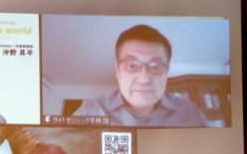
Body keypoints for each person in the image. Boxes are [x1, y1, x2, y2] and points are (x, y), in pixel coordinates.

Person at [74, 24, 206, 127]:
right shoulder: (89, 112)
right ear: (117, 70)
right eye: (132, 66)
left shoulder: (190, 114)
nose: (144, 79)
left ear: (166, 72)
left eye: (155, 67)